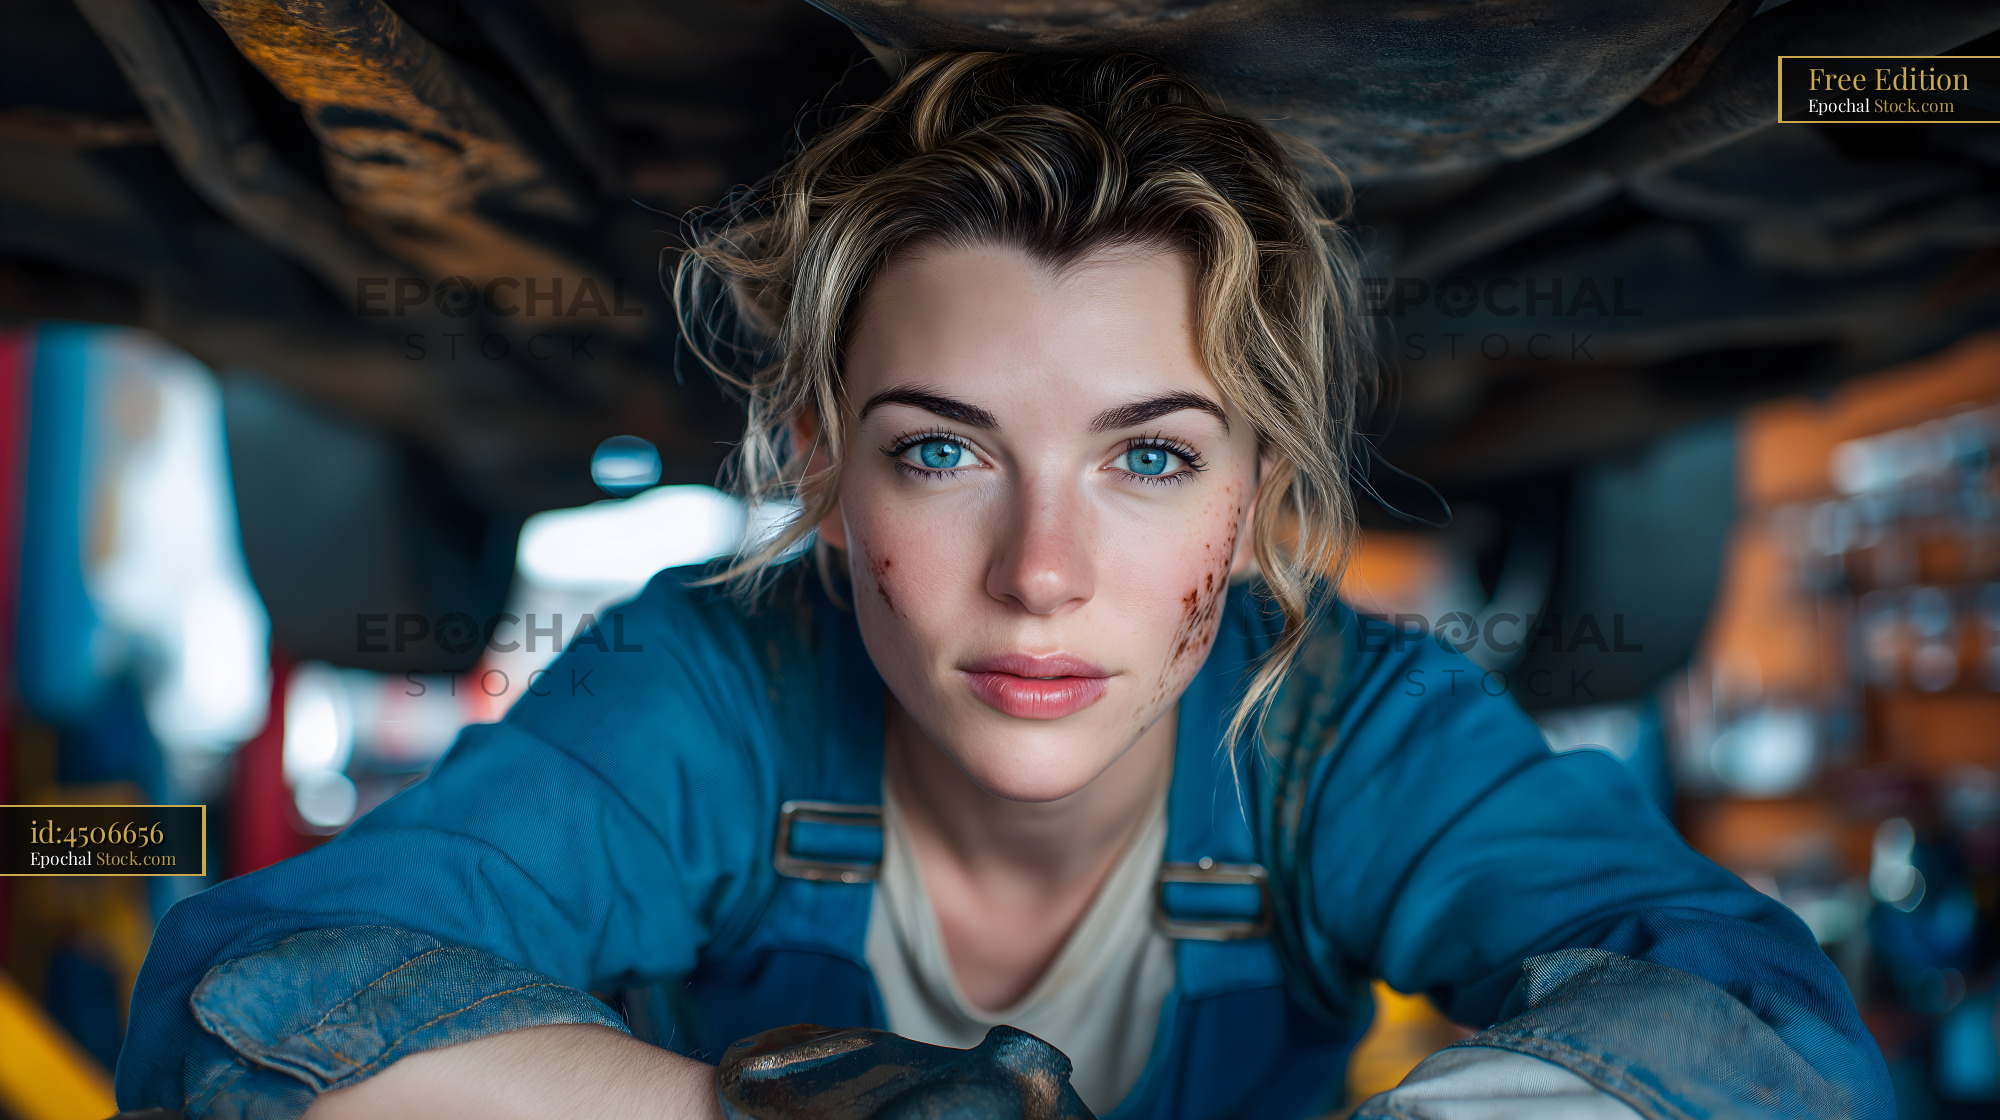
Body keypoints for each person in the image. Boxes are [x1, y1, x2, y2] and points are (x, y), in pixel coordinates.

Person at [117, 52, 1888, 1120]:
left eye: (1151, 458)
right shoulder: (710, 691)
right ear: (818, 464)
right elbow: (242, 1003)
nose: (1043, 577)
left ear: (1257, 495)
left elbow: (1763, 1025)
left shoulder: (1339, 727)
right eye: (942, 452)